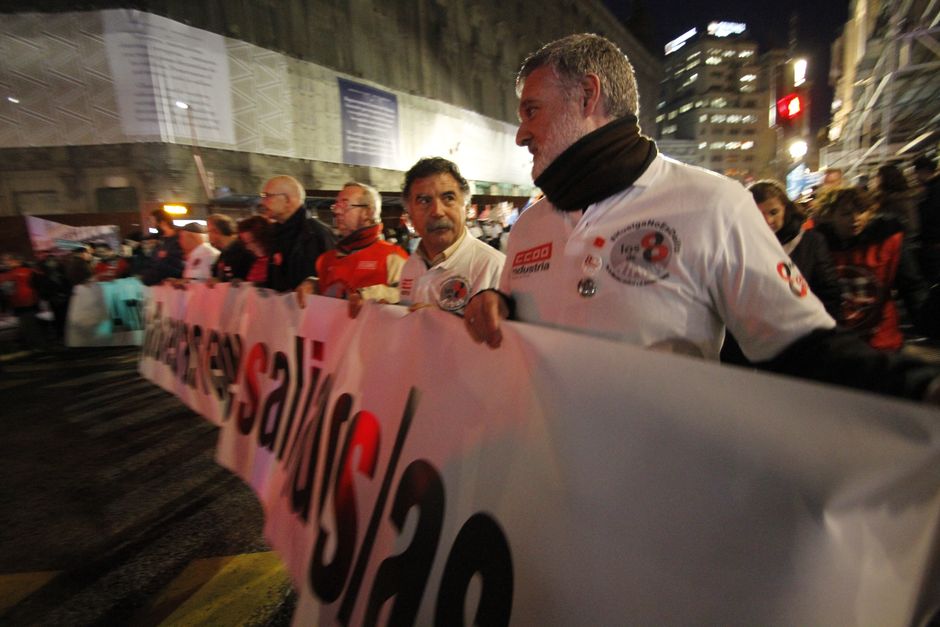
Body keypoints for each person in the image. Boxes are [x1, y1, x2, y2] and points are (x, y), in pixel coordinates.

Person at [463, 33, 939, 402]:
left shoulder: (713, 204)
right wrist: (495, 304)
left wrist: (917, 387)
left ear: (588, 97)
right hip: (547, 488)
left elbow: (803, 349)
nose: (521, 134)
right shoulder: (528, 226)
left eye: (532, 110)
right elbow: (508, 322)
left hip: (668, 496)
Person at [814, 186, 931, 351]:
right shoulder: (818, 246)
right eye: (846, 213)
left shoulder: (888, 241)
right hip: (839, 339)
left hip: (882, 338)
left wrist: (926, 320)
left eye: (861, 211)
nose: (855, 218)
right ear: (831, 216)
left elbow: (911, 285)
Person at [397, 157, 504, 314]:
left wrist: (442, 322)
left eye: (448, 198)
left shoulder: (493, 267)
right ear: (410, 214)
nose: (437, 212)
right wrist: (387, 312)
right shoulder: (410, 266)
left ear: (466, 208)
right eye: (424, 201)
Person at [296, 182, 407, 309]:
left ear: (367, 213)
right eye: (336, 205)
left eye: (344, 205)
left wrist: (371, 295)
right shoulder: (327, 259)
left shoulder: (391, 257)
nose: (337, 211)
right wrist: (314, 286)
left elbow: (409, 297)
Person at [260, 175, 336, 292]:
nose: (262, 202)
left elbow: (331, 280)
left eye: (268, 196)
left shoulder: (316, 233)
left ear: (288, 200)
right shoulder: (275, 232)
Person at [140, 209, 184, 286]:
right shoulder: (160, 241)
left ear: (162, 222)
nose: (151, 225)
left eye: (153, 222)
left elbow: (179, 262)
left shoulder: (179, 239)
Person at [207, 213, 255, 281]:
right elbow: (215, 275)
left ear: (216, 231)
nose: (208, 235)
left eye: (208, 231)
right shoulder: (224, 253)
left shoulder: (243, 250)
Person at [237, 215, 274, 285]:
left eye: (253, 241)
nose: (248, 247)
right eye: (246, 243)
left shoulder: (277, 261)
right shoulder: (249, 259)